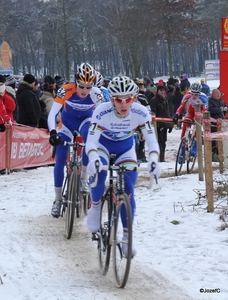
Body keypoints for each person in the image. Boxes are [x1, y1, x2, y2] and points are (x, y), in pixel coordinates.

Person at [85, 76, 161, 256]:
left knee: (128, 189)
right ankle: (95, 206)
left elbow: (152, 141)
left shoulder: (141, 112)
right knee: (100, 171)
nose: (124, 103)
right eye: (119, 99)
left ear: (135, 98)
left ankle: (127, 238)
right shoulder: (102, 112)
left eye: (129, 98)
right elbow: (91, 142)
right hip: (103, 147)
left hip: (126, 150)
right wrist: (93, 156)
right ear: (112, 99)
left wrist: (154, 159)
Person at [47, 63, 103, 218]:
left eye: (88, 86)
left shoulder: (96, 93)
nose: (85, 91)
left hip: (85, 121)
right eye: (81, 86)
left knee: (89, 139)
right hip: (66, 124)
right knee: (60, 159)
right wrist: (53, 132)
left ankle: (83, 178)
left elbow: (102, 115)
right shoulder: (66, 89)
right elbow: (52, 114)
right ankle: (58, 200)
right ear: (75, 82)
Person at [173, 82, 208, 163]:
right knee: (186, 122)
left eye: (196, 94)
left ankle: (195, 143)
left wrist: (204, 119)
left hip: (199, 111)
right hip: (191, 111)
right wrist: (177, 114)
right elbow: (181, 106)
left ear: (199, 93)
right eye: (193, 94)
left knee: (197, 122)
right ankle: (182, 150)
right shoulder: (187, 95)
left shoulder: (204, 98)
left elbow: (205, 110)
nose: (194, 96)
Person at [150, 85, 173, 162]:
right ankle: (159, 157)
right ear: (158, 91)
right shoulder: (154, 100)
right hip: (158, 124)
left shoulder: (165, 100)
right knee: (159, 141)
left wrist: (170, 124)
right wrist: (156, 123)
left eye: (164, 90)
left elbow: (167, 112)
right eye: (161, 90)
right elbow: (153, 112)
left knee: (163, 141)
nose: (163, 92)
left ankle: (162, 157)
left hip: (165, 123)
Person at [208, 89, 227, 161]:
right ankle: (214, 153)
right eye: (216, 93)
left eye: (219, 93)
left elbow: (226, 107)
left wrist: (226, 109)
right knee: (214, 138)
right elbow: (210, 110)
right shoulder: (210, 101)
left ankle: (222, 153)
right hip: (213, 123)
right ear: (212, 95)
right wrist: (219, 109)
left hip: (222, 122)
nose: (218, 95)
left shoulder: (222, 101)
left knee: (222, 138)